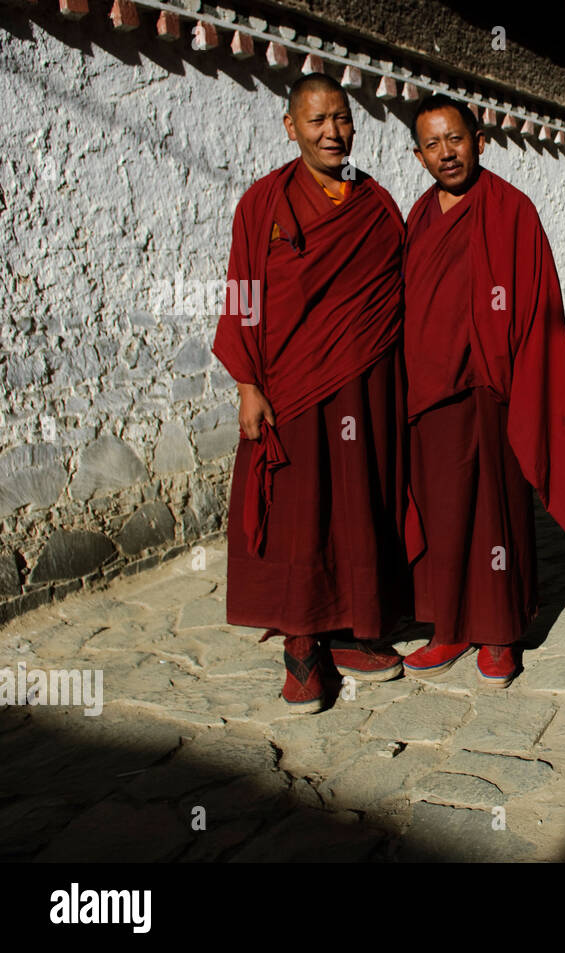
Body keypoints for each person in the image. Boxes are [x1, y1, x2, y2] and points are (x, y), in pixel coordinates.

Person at [212, 73, 412, 714]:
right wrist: (247, 384)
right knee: (301, 510)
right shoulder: (263, 205)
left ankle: (353, 629)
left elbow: (401, 294)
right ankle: (301, 647)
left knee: (360, 502)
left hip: (364, 383)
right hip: (289, 388)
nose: (331, 131)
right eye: (317, 120)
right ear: (291, 128)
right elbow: (243, 294)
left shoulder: (376, 205)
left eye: (342, 118)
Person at [401, 95, 565, 688]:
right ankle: (448, 627)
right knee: (442, 512)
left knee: (497, 513)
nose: (445, 153)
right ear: (418, 155)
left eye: (454, 139)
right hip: (430, 391)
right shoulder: (418, 218)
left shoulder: (512, 211)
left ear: (478, 140)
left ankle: (501, 632)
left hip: (494, 386)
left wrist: (525, 383)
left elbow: (538, 307)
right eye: (432, 144)